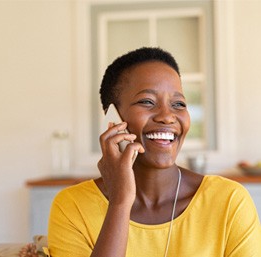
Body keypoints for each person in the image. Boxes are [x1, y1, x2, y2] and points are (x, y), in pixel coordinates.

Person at [47, 47, 261, 257]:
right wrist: (120, 203)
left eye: (178, 104)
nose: (167, 117)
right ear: (113, 118)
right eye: (147, 102)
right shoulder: (72, 206)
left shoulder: (229, 201)